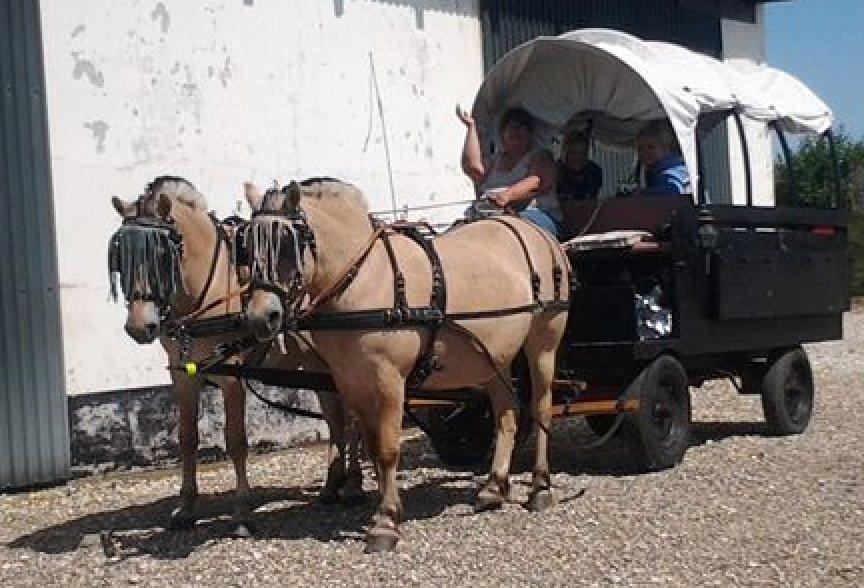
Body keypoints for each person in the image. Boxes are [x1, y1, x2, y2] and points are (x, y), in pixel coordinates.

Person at [457, 105, 561, 237]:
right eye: (511, 129)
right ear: (503, 134)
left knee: (507, 229)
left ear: (530, 134)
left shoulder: (541, 157)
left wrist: (506, 196)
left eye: (521, 129)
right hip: (493, 215)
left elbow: (536, 181)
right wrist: (471, 128)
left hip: (538, 215)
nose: (516, 134)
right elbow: (472, 169)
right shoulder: (495, 160)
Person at [634, 119, 691, 196]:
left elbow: (672, 191)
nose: (644, 152)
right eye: (640, 148)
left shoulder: (670, 173)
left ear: (665, 148)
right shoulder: (657, 172)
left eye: (650, 147)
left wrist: (642, 194)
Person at [556, 129, 602, 201]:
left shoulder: (594, 171)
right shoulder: (554, 171)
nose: (578, 158)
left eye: (582, 153)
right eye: (573, 153)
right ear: (565, 152)